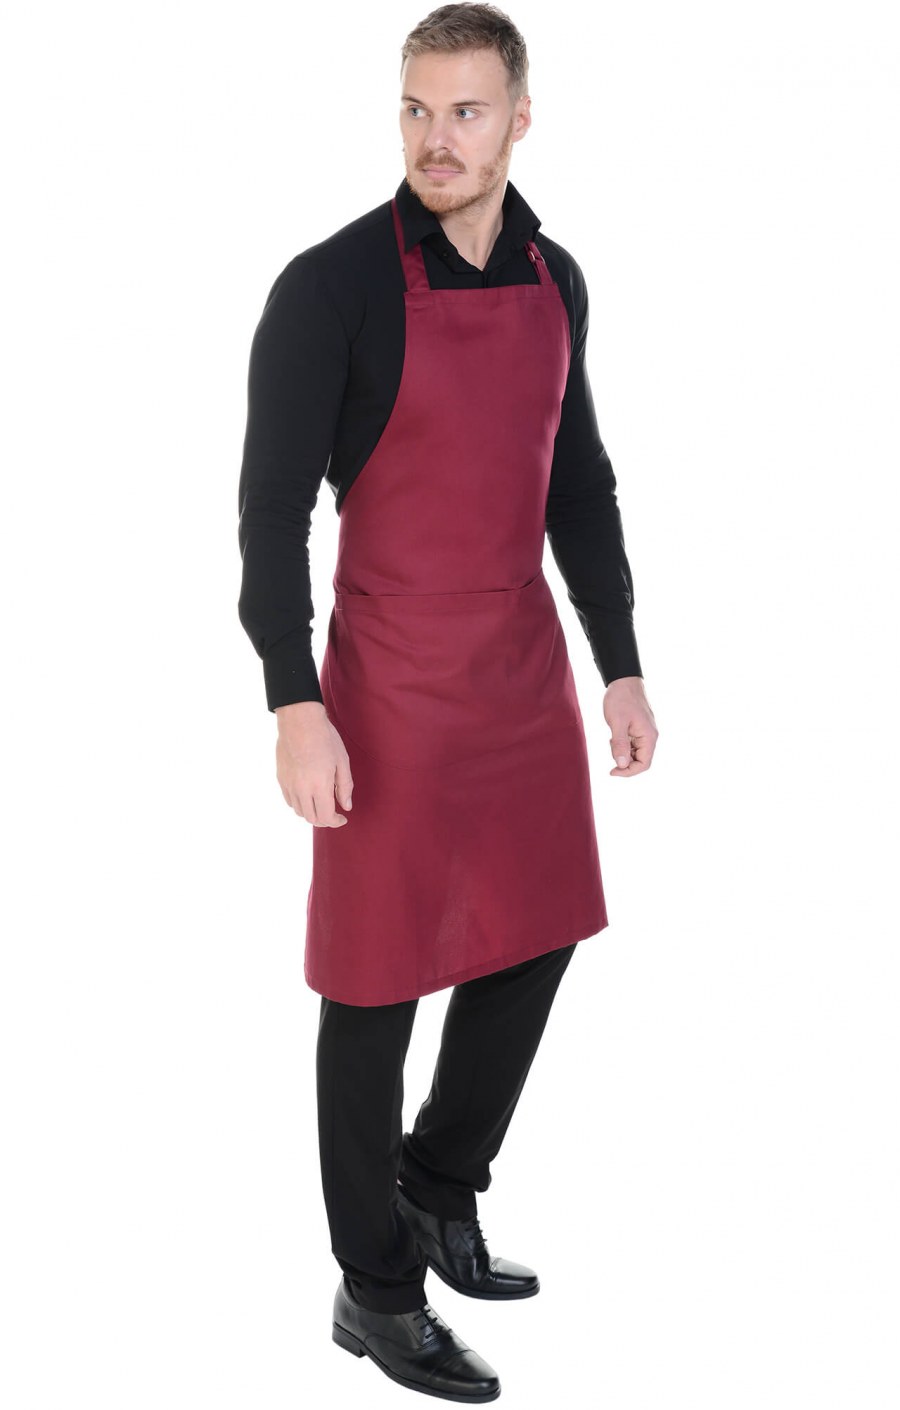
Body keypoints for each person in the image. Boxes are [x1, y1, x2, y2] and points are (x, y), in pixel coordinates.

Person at [237, 3, 658, 1399]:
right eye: (416, 110)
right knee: (374, 983)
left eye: (466, 112)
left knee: (542, 931)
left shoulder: (556, 278)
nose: (436, 138)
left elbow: (576, 483)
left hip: (519, 671)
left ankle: (437, 1183)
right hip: (390, 682)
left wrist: (620, 659)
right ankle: (373, 1287)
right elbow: (267, 513)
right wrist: (293, 697)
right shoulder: (332, 288)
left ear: (520, 120)